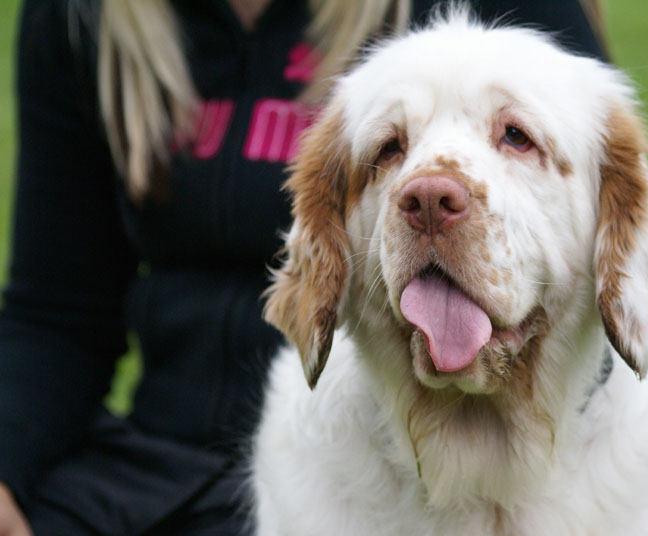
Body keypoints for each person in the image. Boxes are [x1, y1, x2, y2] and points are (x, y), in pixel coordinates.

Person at [0, 0, 606, 534]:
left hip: (378, 469)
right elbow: (57, 315)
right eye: (390, 147)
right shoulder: (80, 14)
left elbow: (599, 258)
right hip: (144, 470)